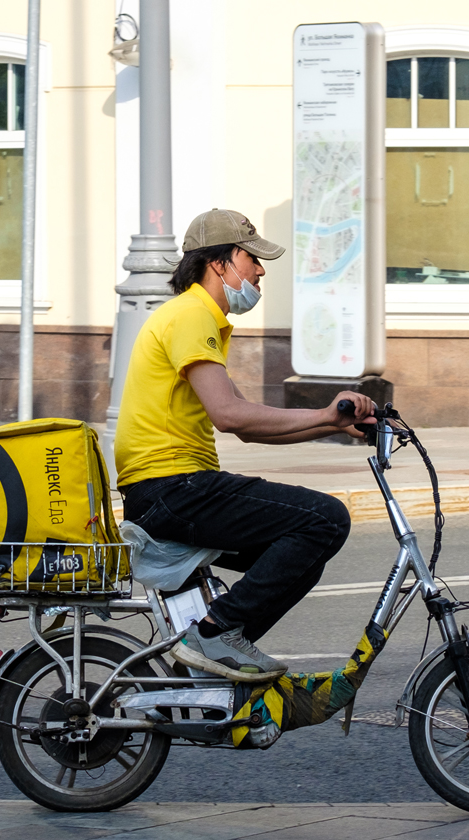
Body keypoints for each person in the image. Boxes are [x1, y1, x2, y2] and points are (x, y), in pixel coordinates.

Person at [115, 208, 375, 682]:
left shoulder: (200, 319)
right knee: (325, 520)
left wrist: (332, 425)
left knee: (304, 554)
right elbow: (229, 414)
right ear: (219, 263)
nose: (260, 271)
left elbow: (247, 427)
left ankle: (214, 654)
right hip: (172, 487)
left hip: (168, 490)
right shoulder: (192, 316)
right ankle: (214, 635)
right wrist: (325, 412)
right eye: (251, 258)